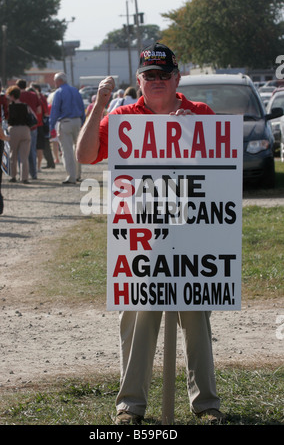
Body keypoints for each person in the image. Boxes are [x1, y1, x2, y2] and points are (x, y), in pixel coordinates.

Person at [76, 43, 224, 425]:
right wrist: (100, 103)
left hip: (192, 231)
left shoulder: (201, 114)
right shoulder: (123, 117)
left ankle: (206, 404)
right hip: (142, 234)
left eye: (163, 75)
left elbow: (219, 172)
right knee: (139, 318)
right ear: (139, 80)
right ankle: (130, 406)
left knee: (195, 318)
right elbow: (85, 155)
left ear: (176, 78)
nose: (156, 81)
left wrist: (188, 132)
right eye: (149, 76)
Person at [49, 72, 85, 184]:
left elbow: (55, 111)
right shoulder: (76, 91)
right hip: (77, 121)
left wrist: (51, 126)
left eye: (55, 81)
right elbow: (82, 108)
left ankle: (71, 176)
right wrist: (82, 122)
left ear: (59, 81)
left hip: (65, 122)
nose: (54, 83)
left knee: (67, 151)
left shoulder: (59, 92)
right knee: (77, 149)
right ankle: (78, 174)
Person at [6, 85, 32, 184]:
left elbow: (8, 120)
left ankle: (13, 176)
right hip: (25, 130)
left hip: (14, 130)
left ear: (12, 96)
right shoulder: (25, 106)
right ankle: (24, 177)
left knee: (13, 154)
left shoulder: (10, 107)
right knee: (24, 156)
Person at [16, 79, 41, 180]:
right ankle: (33, 173)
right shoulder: (33, 95)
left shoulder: (16, 95)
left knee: (19, 152)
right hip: (32, 126)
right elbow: (39, 110)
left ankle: (22, 173)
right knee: (32, 151)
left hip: (19, 125)